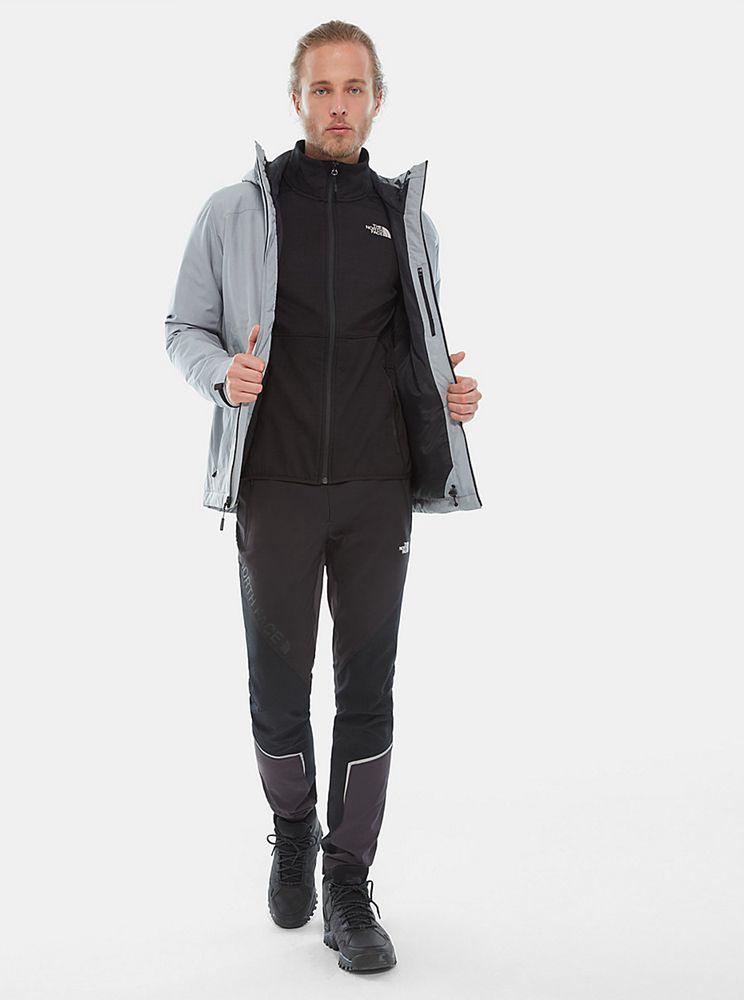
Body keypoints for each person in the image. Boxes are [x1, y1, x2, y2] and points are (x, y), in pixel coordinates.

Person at [165, 20, 483, 974]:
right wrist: (222, 375)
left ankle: (348, 878)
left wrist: (448, 393)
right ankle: (295, 824)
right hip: (276, 483)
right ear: (296, 99)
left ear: (377, 99)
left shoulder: (407, 219)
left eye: (353, 89)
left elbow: (413, 349)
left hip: (378, 489)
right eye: (321, 89)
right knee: (276, 685)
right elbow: (183, 326)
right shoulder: (236, 211)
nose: (338, 106)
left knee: (368, 687)